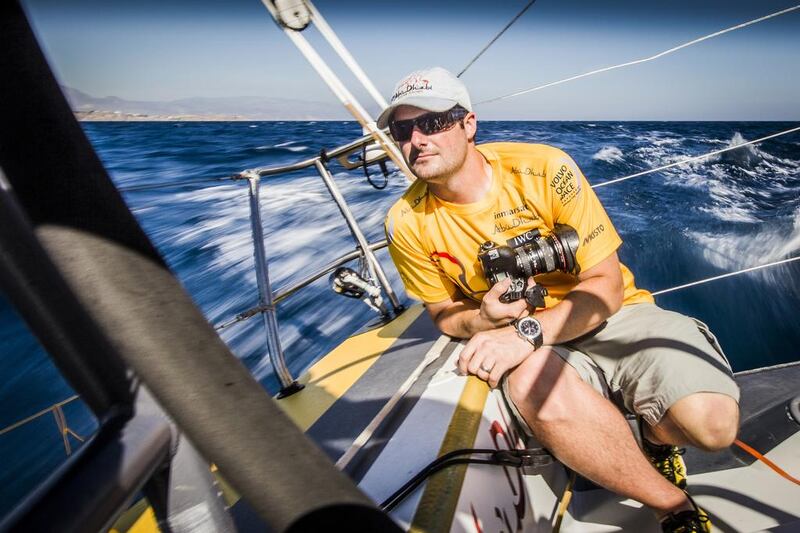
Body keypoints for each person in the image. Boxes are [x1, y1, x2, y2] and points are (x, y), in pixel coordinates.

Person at [379, 67, 740, 533]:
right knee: (529, 380)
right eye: (402, 130)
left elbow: (605, 284)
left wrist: (526, 331)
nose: (417, 141)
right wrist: (483, 317)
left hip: (615, 314)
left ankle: (656, 436)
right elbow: (443, 314)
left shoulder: (544, 168)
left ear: (468, 124)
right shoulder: (405, 222)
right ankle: (675, 507)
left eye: (431, 124)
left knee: (713, 427)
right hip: (541, 346)